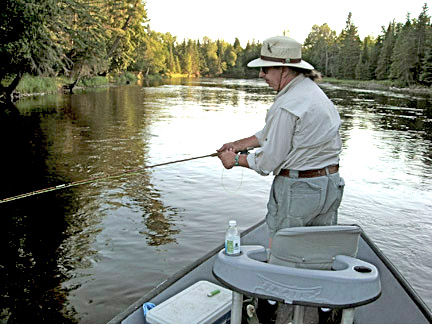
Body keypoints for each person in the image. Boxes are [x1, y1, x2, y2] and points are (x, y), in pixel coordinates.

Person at [217, 35, 345, 324]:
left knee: (281, 255)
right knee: (320, 254)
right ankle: (326, 314)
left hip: (298, 191)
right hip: (330, 185)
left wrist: (234, 160)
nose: (261, 75)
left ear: (285, 70)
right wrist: (239, 143)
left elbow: (269, 161)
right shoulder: (310, 93)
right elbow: (271, 135)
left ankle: (268, 311)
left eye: (265, 69)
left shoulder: (287, 104)